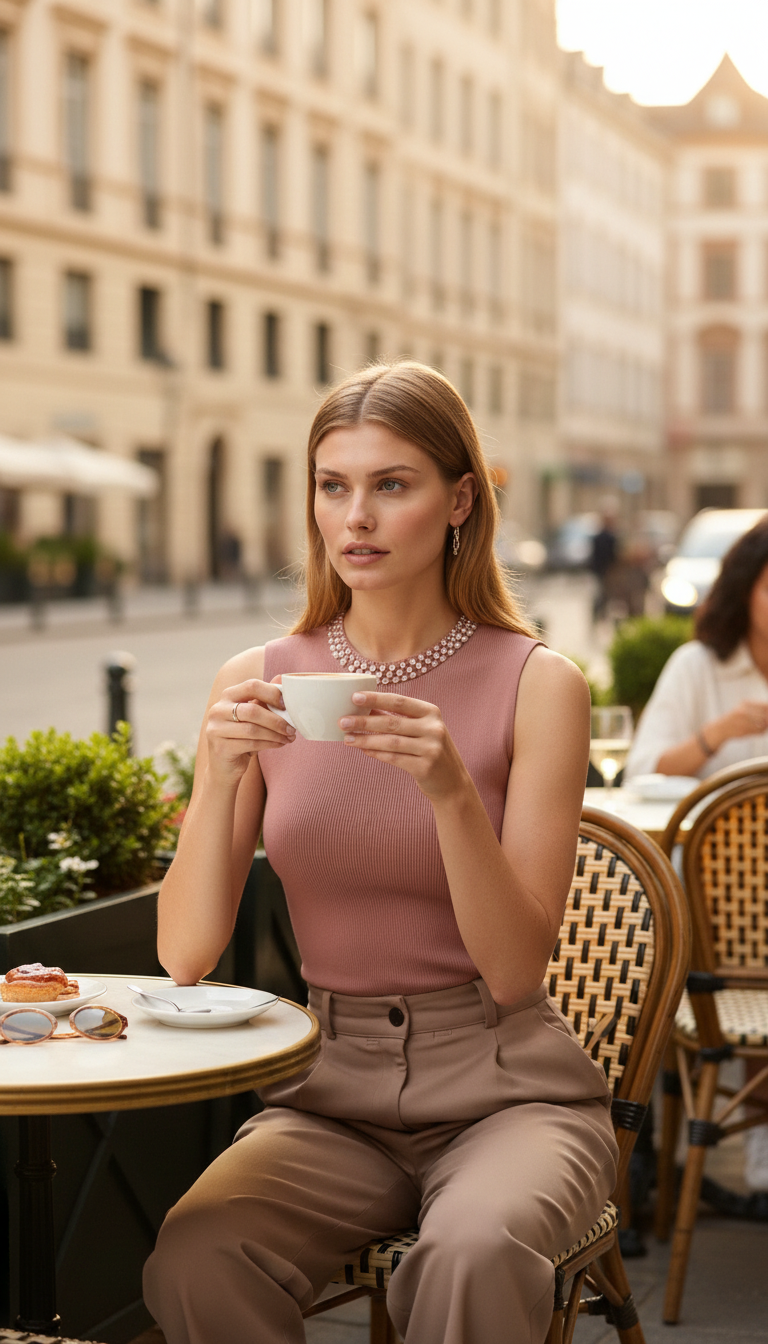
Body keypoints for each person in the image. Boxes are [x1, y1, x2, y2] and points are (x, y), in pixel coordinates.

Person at [142, 363, 618, 1344]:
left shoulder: (540, 684)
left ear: (458, 501)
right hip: (330, 1095)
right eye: (333, 485)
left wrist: (448, 792)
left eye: (390, 485)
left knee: (472, 1256)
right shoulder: (257, 678)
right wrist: (223, 777)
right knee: (195, 1255)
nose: (354, 515)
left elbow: (517, 968)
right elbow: (183, 957)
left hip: (509, 1092)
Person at [623, 514, 768, 1196]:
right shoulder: (700, 666)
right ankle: (643, 1153)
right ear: (745, 588)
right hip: (713, 927)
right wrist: (717, 734)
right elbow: (643, 772)